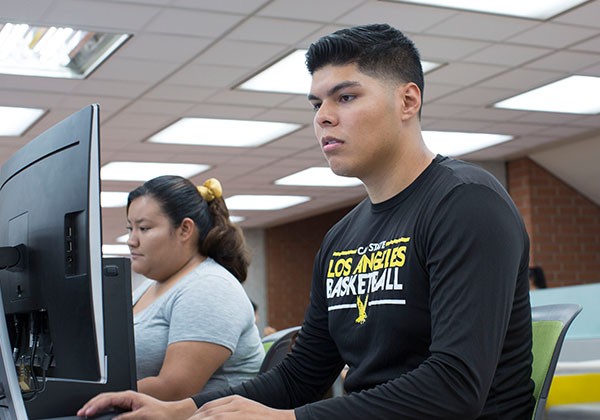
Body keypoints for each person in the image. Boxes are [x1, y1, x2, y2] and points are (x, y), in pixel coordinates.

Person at [78, 23, 534, 419]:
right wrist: (185, 409)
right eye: (316, 104)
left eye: (346, 97)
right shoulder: (342, 238)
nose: (324, 118)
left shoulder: (466, 203)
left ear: (408, 101)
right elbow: (302, 374)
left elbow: (454, 388)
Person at [125, 175, 264, 401]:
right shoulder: (151, 285)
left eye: (144, 228)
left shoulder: (209, 286)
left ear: (185, 230)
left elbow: (174, 390)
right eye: (130, 228)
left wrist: (85, 395)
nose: (132, 240)